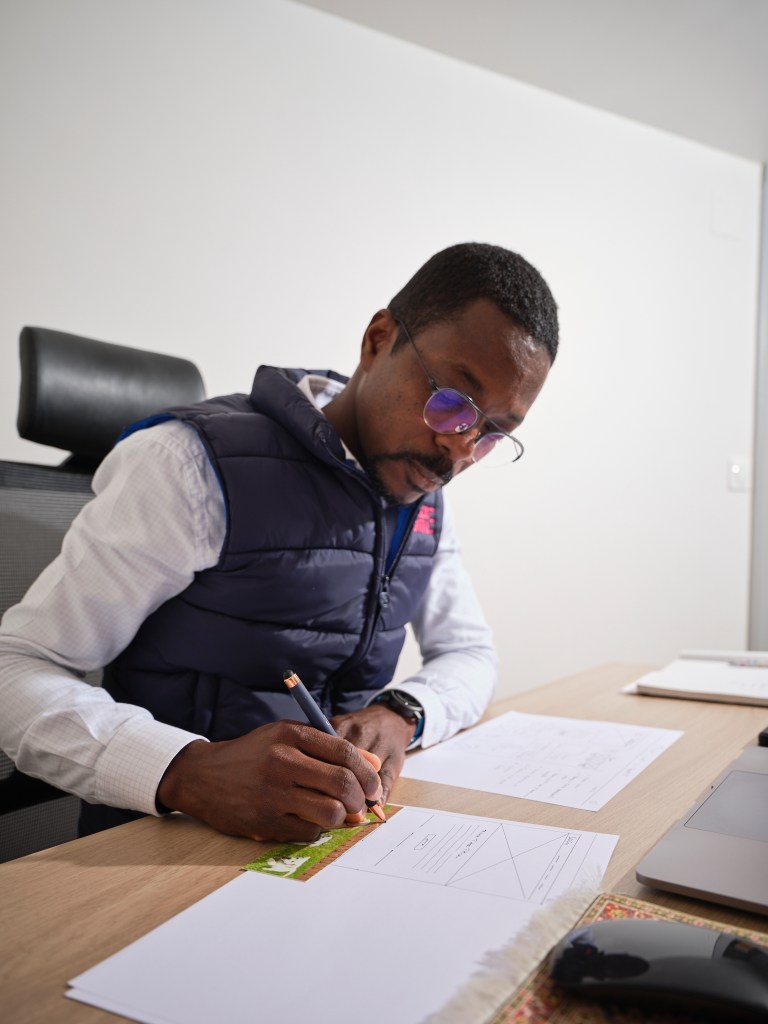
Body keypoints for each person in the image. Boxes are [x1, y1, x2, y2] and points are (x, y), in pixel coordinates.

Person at [0, 242, 558, 843]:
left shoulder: (421, 498)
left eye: (492, 433)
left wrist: (403, 712)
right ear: (378, 340)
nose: (460, 448)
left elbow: (470, 653)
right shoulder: (186, 465)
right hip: (162, 845)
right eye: (451, 401)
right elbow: (17, 669)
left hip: (314, 843)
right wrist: (186, 770)